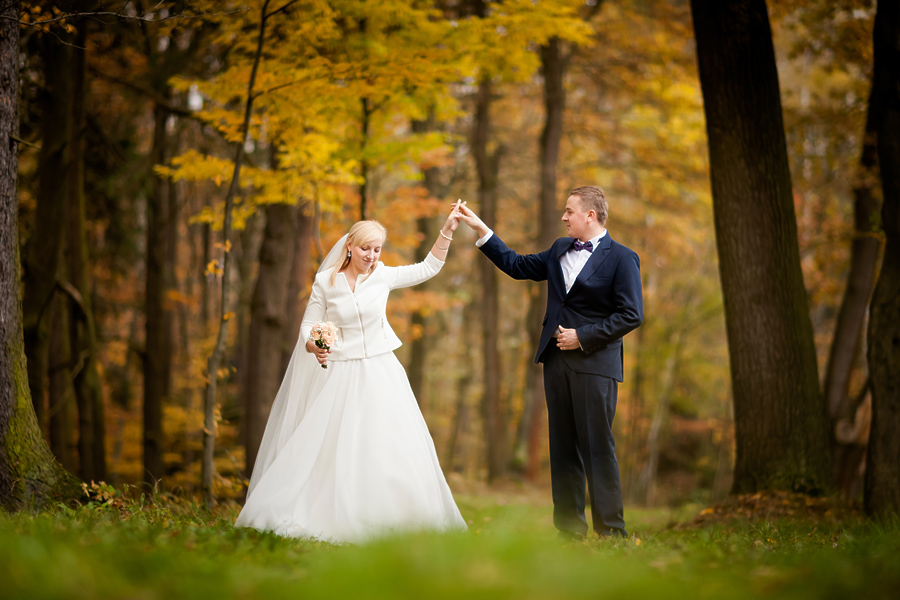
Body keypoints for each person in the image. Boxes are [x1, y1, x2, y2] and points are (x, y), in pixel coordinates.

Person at [235, 205, 467, 543]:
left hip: (381, 371)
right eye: (365, 249)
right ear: (349, 246)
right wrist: (313, 344)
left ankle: (395, 514)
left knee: (388, 443)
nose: (371, 256)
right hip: (340, 374)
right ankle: (325, 511)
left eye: (377, 249)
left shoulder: (384, 275)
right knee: (335, 445)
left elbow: (428, 267)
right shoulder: (326, 283)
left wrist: (447, 229)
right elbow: (308, 324)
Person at [457, 186, 642, 539]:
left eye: (570, 211)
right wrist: (483, 231)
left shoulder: (622, 258)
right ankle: (569, 532)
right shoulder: (559, 248)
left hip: (596, 365)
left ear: (590, 215)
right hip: (555, 362)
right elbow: (517, 265)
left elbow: (631, 315)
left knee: (598, 449)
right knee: (562, 448)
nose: (563, 216)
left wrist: (582, 336)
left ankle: (611, 533)